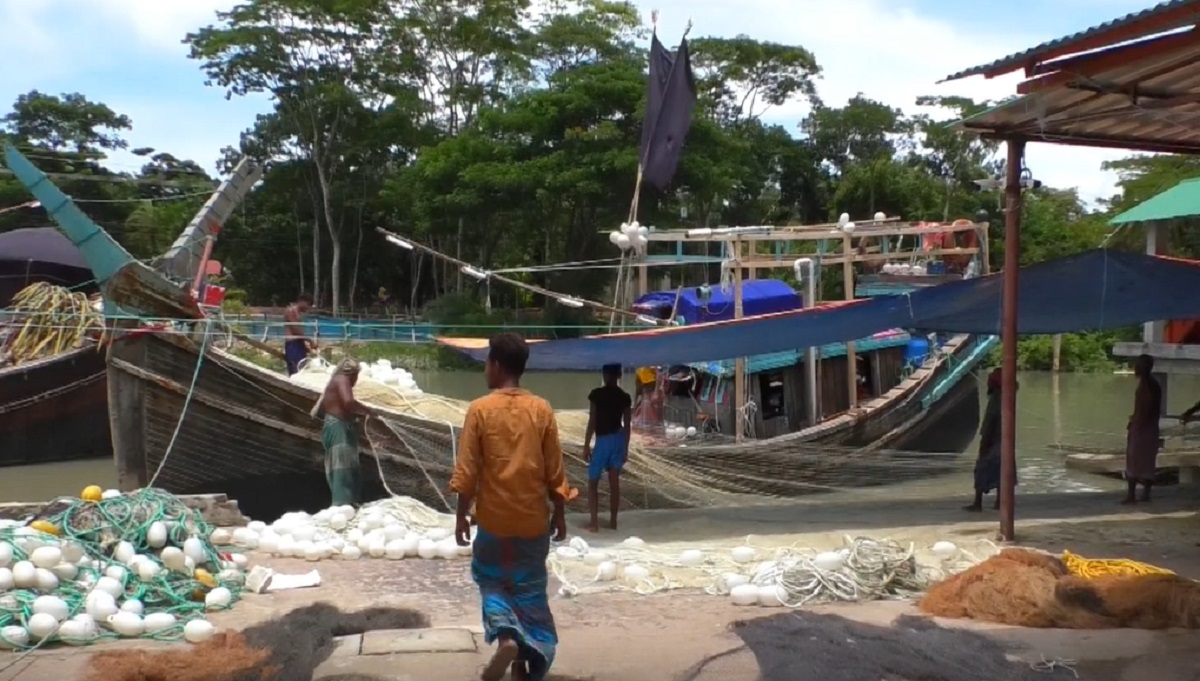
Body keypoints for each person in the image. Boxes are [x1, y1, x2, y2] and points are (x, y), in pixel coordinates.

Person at [450, 332, 570, 681]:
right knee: (529, 590)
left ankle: (506, 639)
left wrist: (461, 516)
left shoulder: (480, 410)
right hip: (533, 523)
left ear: (497, 365)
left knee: (493, 583)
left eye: (487, 362)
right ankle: (522, 665)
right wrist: (560, 513)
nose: (486, 369)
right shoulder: (541, 409)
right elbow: (555, 470)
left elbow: (467, 471)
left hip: (494, 523)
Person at [583, 364, 632, 532]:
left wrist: (586, 445)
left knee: (592, 483)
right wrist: (625, 448)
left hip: (603, 440)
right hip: (618, 439)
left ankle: (594, 523)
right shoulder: (624, 397)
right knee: (614, 483)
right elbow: (627, 425)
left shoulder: (597, 394)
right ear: (619, 375)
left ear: (604, 375)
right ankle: (613, 522)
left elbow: (592, 421)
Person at [318, 358, 368, 507]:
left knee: (349, 465)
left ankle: (350, 502)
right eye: (356, 376)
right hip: (337, 427)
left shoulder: (337, 380)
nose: (356, 381)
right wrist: (367, 412)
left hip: (341, 426)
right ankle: (341, 503)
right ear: (352, 374)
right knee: (342, 467)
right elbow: (348, 401)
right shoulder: (343, 379)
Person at [965, 367, 1015, 512]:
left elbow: (989, 422)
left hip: (993, 441)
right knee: (1002, 473)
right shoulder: (1009, 398)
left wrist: (984, 442)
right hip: (1005, 443)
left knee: (981, 469)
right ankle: (999, 501)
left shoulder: (995, 399)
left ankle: (978, 503)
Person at [1124, 354, 1162, 504]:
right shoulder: (1154, 384)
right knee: (1148, 460)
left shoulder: (1146, 386)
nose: (1135, 368)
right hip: (1150, 427)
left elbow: (1143, 408)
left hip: (1142, 427)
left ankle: (1131, 495)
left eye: (1137, 365)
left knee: (1133, 459)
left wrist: (1134, 422)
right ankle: (1146, 494)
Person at [283, 295, 315, 376]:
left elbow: (299, 331)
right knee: (295, 370)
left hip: (299, 343)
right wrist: (310, 340)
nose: (308, 308)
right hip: (292, 345)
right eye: (308, 305)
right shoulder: (290, 311)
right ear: (302, 301)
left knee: (302, 369)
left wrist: (305, 346)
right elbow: (295, 330)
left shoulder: (299, 314)